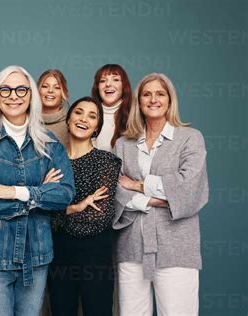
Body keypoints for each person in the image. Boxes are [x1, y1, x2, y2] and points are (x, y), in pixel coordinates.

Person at [0, 65, 75, 316]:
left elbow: (65, 194)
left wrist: (13, 191)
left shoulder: (49, 143)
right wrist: (40, 193)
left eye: (21, 89)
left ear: (30, 95)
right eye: (6, 89)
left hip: (36, 255)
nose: (13, 96)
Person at [113, 73, 209, 316]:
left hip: (176, 249)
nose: (153, 99)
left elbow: (189, 189)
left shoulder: (190, 138)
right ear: (139, 101)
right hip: (131, 246)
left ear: (169, 100)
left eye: (160, 93)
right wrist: (161, 199)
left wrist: (138, 186)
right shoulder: (123, 144)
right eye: (146, 94)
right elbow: (115, 191)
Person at [48, 96, 121, 315]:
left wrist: (57, 213)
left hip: (94, 254)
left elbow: (99, 218)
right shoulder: (50, 162)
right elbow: (39, 213)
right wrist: (77, 207)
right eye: (79, 112)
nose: (84, 119)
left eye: (92, 116)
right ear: (68, 119)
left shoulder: (106, 162)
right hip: (58, 253)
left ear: (97, 127)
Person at [90, 64, 132, 151]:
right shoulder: (88, 115)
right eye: (103, 81)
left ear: (124, 86)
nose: (108, 84)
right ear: (97, 87)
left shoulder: (135, 116)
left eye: (115, 80)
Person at [37, 69, 70, 146]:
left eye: (57, 87)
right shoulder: (26, 121)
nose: (50, 90)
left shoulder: (71, 124)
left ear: (63, 93)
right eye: (45, 86)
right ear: (38, 91)